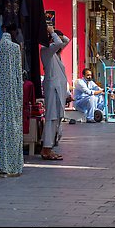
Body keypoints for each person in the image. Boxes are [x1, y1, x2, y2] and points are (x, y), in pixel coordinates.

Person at [0, 23, 24, 177]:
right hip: (12, 95)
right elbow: (18, 74)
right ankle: (12, 165)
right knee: (12, 129)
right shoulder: (15, 49)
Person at [40, 26, 70, 160]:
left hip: (58, 90)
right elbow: (58, 43)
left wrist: (57, 34)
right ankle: (46, 148)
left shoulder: (55, 55)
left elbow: (66, 40)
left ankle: (49, 146)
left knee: (56, 118)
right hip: (52, 89)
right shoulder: (46, 51)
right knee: (51, 118)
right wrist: (52, 32)